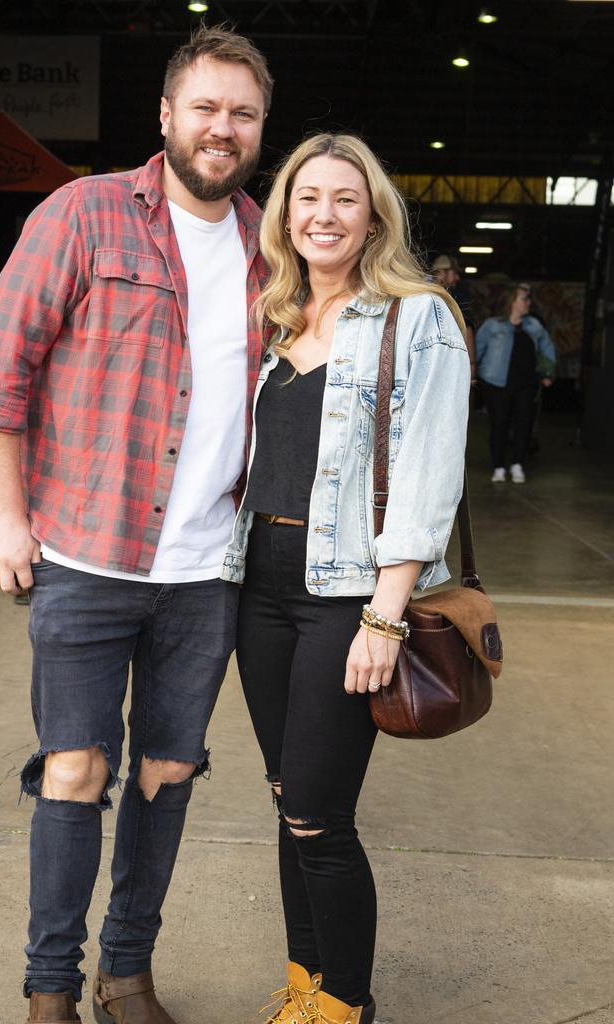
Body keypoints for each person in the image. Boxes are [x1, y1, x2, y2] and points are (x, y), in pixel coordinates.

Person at [0, 26, 273, 1024]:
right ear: (168, 116)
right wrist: (6, 515)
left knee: (170, 768)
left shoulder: (272, 248)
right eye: (207, 107)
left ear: (261, 130)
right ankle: (51, 984)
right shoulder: (85, 213)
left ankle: (125, 971)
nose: (221, 128)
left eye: (243, 113)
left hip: (206, 570)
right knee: (76, 766)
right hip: (87, 554)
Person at [222, 133, 471, 1024]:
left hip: (346, 598)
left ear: (373, 220)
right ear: (284, 212)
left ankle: (346, 1006)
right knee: (289, 798)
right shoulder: (275, 317)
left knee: (321, 816)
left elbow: (427, 477)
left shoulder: (417, 316)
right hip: (261, 587)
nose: (323, 215)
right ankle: (303, 988)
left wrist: (386, 616)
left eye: (344, 200)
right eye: (306, 197)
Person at [475, 283, 555, 483]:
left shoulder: (533, 325)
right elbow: (476, 349)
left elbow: (547, 347)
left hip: (527, 384)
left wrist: (548, 372)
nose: (528, 302)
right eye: (524, 298)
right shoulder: (493, 325)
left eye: (528, 299)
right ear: (512, 301)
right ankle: (499, 467)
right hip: (496, 383)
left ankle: (518, 464)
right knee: (499, 425)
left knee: (524, 425)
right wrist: (474, 374)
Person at [431, 254, 476, 381]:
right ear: (441, 273)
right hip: (447, 362)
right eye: (454, 272)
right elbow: (466, 328)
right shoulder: (454, 297)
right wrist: (471, 365)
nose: (457, 277)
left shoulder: (422, 293)